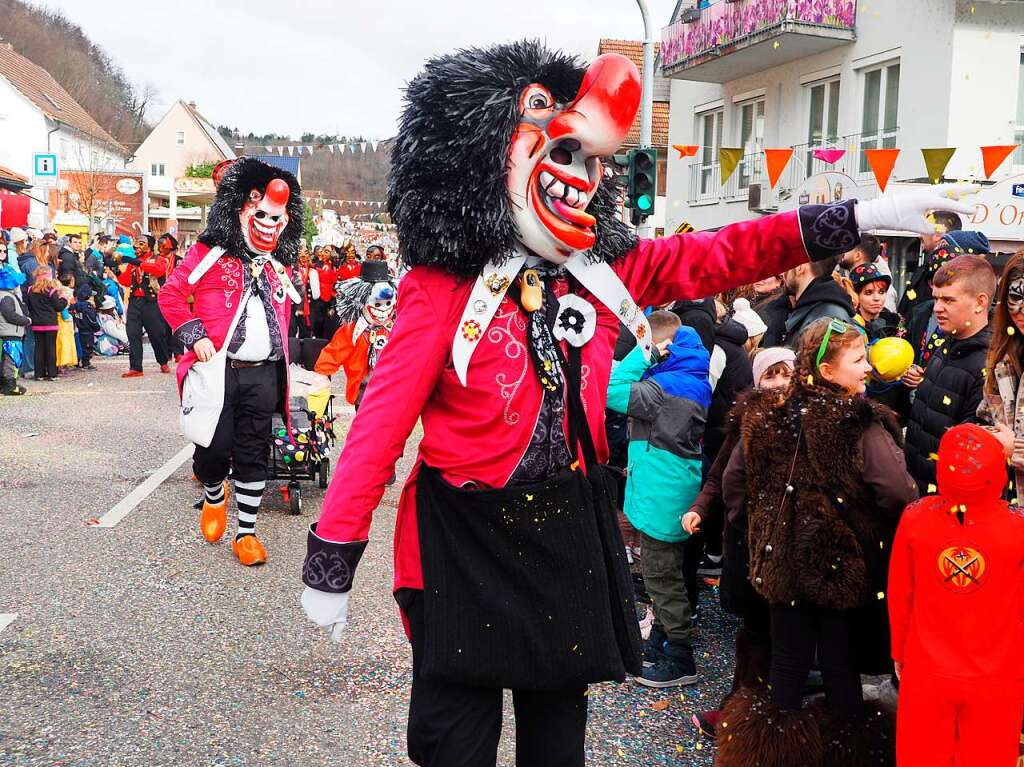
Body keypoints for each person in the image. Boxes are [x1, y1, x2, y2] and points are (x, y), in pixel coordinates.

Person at [296, 41, 972, 767]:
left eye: (592, 163)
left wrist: (858, 215)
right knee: (452, 741)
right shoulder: (441, 286)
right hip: (465, 535)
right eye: (566, 153)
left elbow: (726, 252)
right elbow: (379, 427)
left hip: (563, 528)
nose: (581, 178)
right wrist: (334, 552)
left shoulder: (602, 269)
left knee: (558, 739)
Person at [716, 318, 918, 766]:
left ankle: (771, 755)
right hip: (839, 564)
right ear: (828, 371)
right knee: (839, 663)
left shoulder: (765, 413)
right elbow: (897, 492)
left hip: (779, 563)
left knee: (786, 665)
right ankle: (851, 752)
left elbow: (735, 485)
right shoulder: (861, 421)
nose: (868, 369)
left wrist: (760, 531)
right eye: (858, 360)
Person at [159, 157, 302, 567]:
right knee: (213, 449)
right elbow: (170, 296)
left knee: (254, 451)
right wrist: (194, 334)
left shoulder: (281, 264)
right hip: (218, 370)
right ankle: (213, 493)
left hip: (263, 374)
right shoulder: (209, 252)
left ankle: (247, 533)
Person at [888, 423, 1024, 767]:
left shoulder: (915, 519)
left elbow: (900, 592)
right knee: (989, 755)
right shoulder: (1017, 530)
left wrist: (899, 650)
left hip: (926, 668)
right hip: (997, 675)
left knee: (922, 754)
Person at [684, 346, 795, 739]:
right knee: (753, 630)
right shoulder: (746, 420)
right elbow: (718, 476)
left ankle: (758, 721)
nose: (779, 383)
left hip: (786, 548)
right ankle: (742, 709)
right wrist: (701, 508)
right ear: (756, 381)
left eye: (787, 373)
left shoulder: (805, 423)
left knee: (779, 639)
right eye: (770, 375)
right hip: (746, 544)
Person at [606, 311, 710, 688]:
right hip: (670, 490)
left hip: (659, 494)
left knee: (661, 577)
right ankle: (663, 642)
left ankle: (679, 657)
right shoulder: (691, 380)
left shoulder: (661, 389)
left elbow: (610, 389)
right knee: (666, 574)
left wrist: (643, 355)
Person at [902, 255, 995, 495]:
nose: (937, 308)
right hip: (918, 493)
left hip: (946, 504)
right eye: (935, 299)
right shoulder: (945, 343)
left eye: (948, 300)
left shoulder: (989, 367)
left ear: (979, 302)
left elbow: (970, 460)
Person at [312, 260, 397, 406]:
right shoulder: (352, 330)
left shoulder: (396, 328)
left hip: (392, 388)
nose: (383, 310)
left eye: (388, 304)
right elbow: (334, 352)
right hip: (364, 389)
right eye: (377, 304)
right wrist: (322, 376)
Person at [977, 249, 1024, 503]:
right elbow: (986, 414)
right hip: (1003, 507)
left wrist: (1015, 449)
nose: (1021, 310)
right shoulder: (1001, 355)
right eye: (1015, 297)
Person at [762, 256, 854, 348]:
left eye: (786, 266)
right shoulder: (792, 310)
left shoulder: (825, 320)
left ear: (799, 268)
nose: (782, 274)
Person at [117, 233, 171, 377]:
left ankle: (163, 361)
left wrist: (137, 263)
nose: (136, 246)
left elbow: (158, 270)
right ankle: (136, 367)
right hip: (135, 302)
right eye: (136, 243)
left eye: (141, 243)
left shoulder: (159, 260)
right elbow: (126, 281)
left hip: (151, 302)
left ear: (150, 246)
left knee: (157, 334)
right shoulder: (133, 263)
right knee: (133, 334)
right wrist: (116, 270)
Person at [898, 210, 962, 319]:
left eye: (923, 230)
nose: (920, 236)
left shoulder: (953, 273)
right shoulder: (924, 269)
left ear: (937, 235)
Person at [25, 272, 68, 381]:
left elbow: (28, 306)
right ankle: (52, 374)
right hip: (50, 324)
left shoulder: (30, 290)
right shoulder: (51, 291)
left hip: (36, 323)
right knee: (50, 348)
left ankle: (39, 374)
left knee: (39, 348)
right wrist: (63, 298)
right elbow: (58, 307)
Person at [839, 234, 897, 312]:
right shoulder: (847, 280)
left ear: (857, 255)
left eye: (847, 249)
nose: (841, 252)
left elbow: (886, 321)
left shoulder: (883, 288)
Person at [0, 264, 31, 395]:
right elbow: (10, 315)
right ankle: (10, 386)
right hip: (10, 333)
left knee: (8, 361)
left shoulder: (7, 295)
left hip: (10, 333)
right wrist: (26, 320)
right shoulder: (6, 297)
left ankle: (6, 384)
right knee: (11, 361)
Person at [70, 283, 100, 370]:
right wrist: (96, 327)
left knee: (79, 346)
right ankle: (86, 363)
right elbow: (92, 319)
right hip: (87, 330)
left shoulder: (74, 306)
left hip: (78, 329)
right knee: (87, 347)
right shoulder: (87, 307)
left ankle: (77, 361)